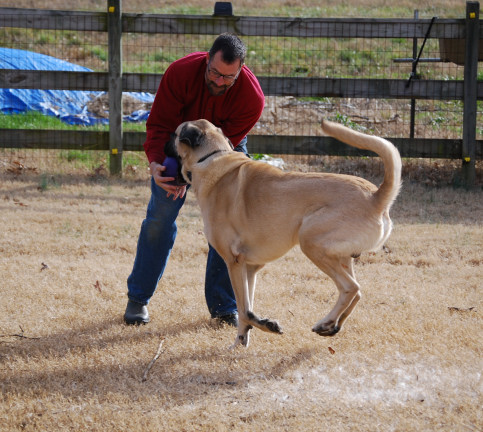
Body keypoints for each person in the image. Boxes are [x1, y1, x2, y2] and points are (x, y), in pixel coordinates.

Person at [124, 33, 265, 327]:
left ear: (240, 70)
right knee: (161, 214)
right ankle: (138, 299)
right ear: (206, 60)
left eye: (229, 77)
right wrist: (160, 167)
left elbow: (223, 146)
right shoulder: (179, 73)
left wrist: (199, 177)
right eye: (214, 72)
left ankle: (224, 307)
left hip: (222, 146)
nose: (219, 81)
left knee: (228, 224)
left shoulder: (252, 97)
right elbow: (160, 124)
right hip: (176, 145)